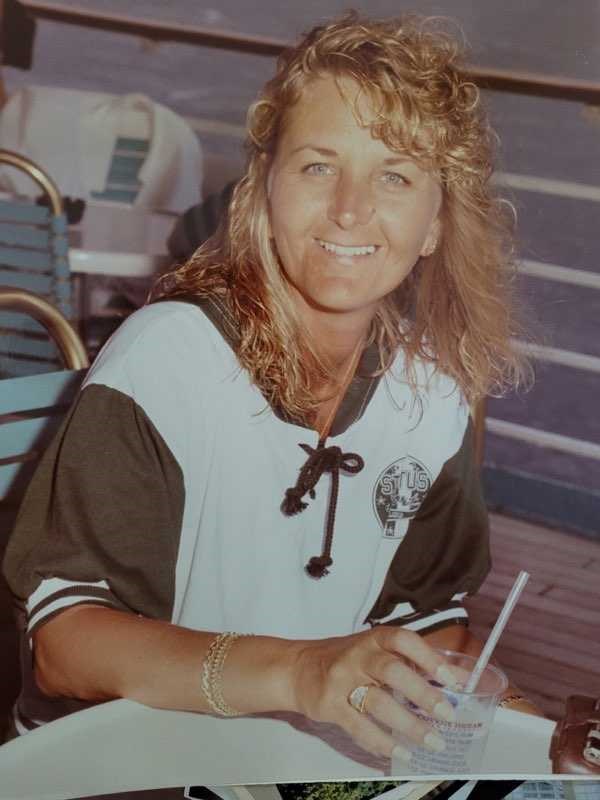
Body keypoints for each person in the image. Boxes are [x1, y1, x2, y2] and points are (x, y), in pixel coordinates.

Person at [3, 11, 538, 765]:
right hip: (117, 768)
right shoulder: (168, 361)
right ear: (263, 190)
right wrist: (303, 672)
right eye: (318, 165)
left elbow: (428, 625)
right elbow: (65, 647)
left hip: (291, 766)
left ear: (435, 225)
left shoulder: (434, 397)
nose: (350, 209)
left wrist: (544, 740)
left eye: (394, 176)